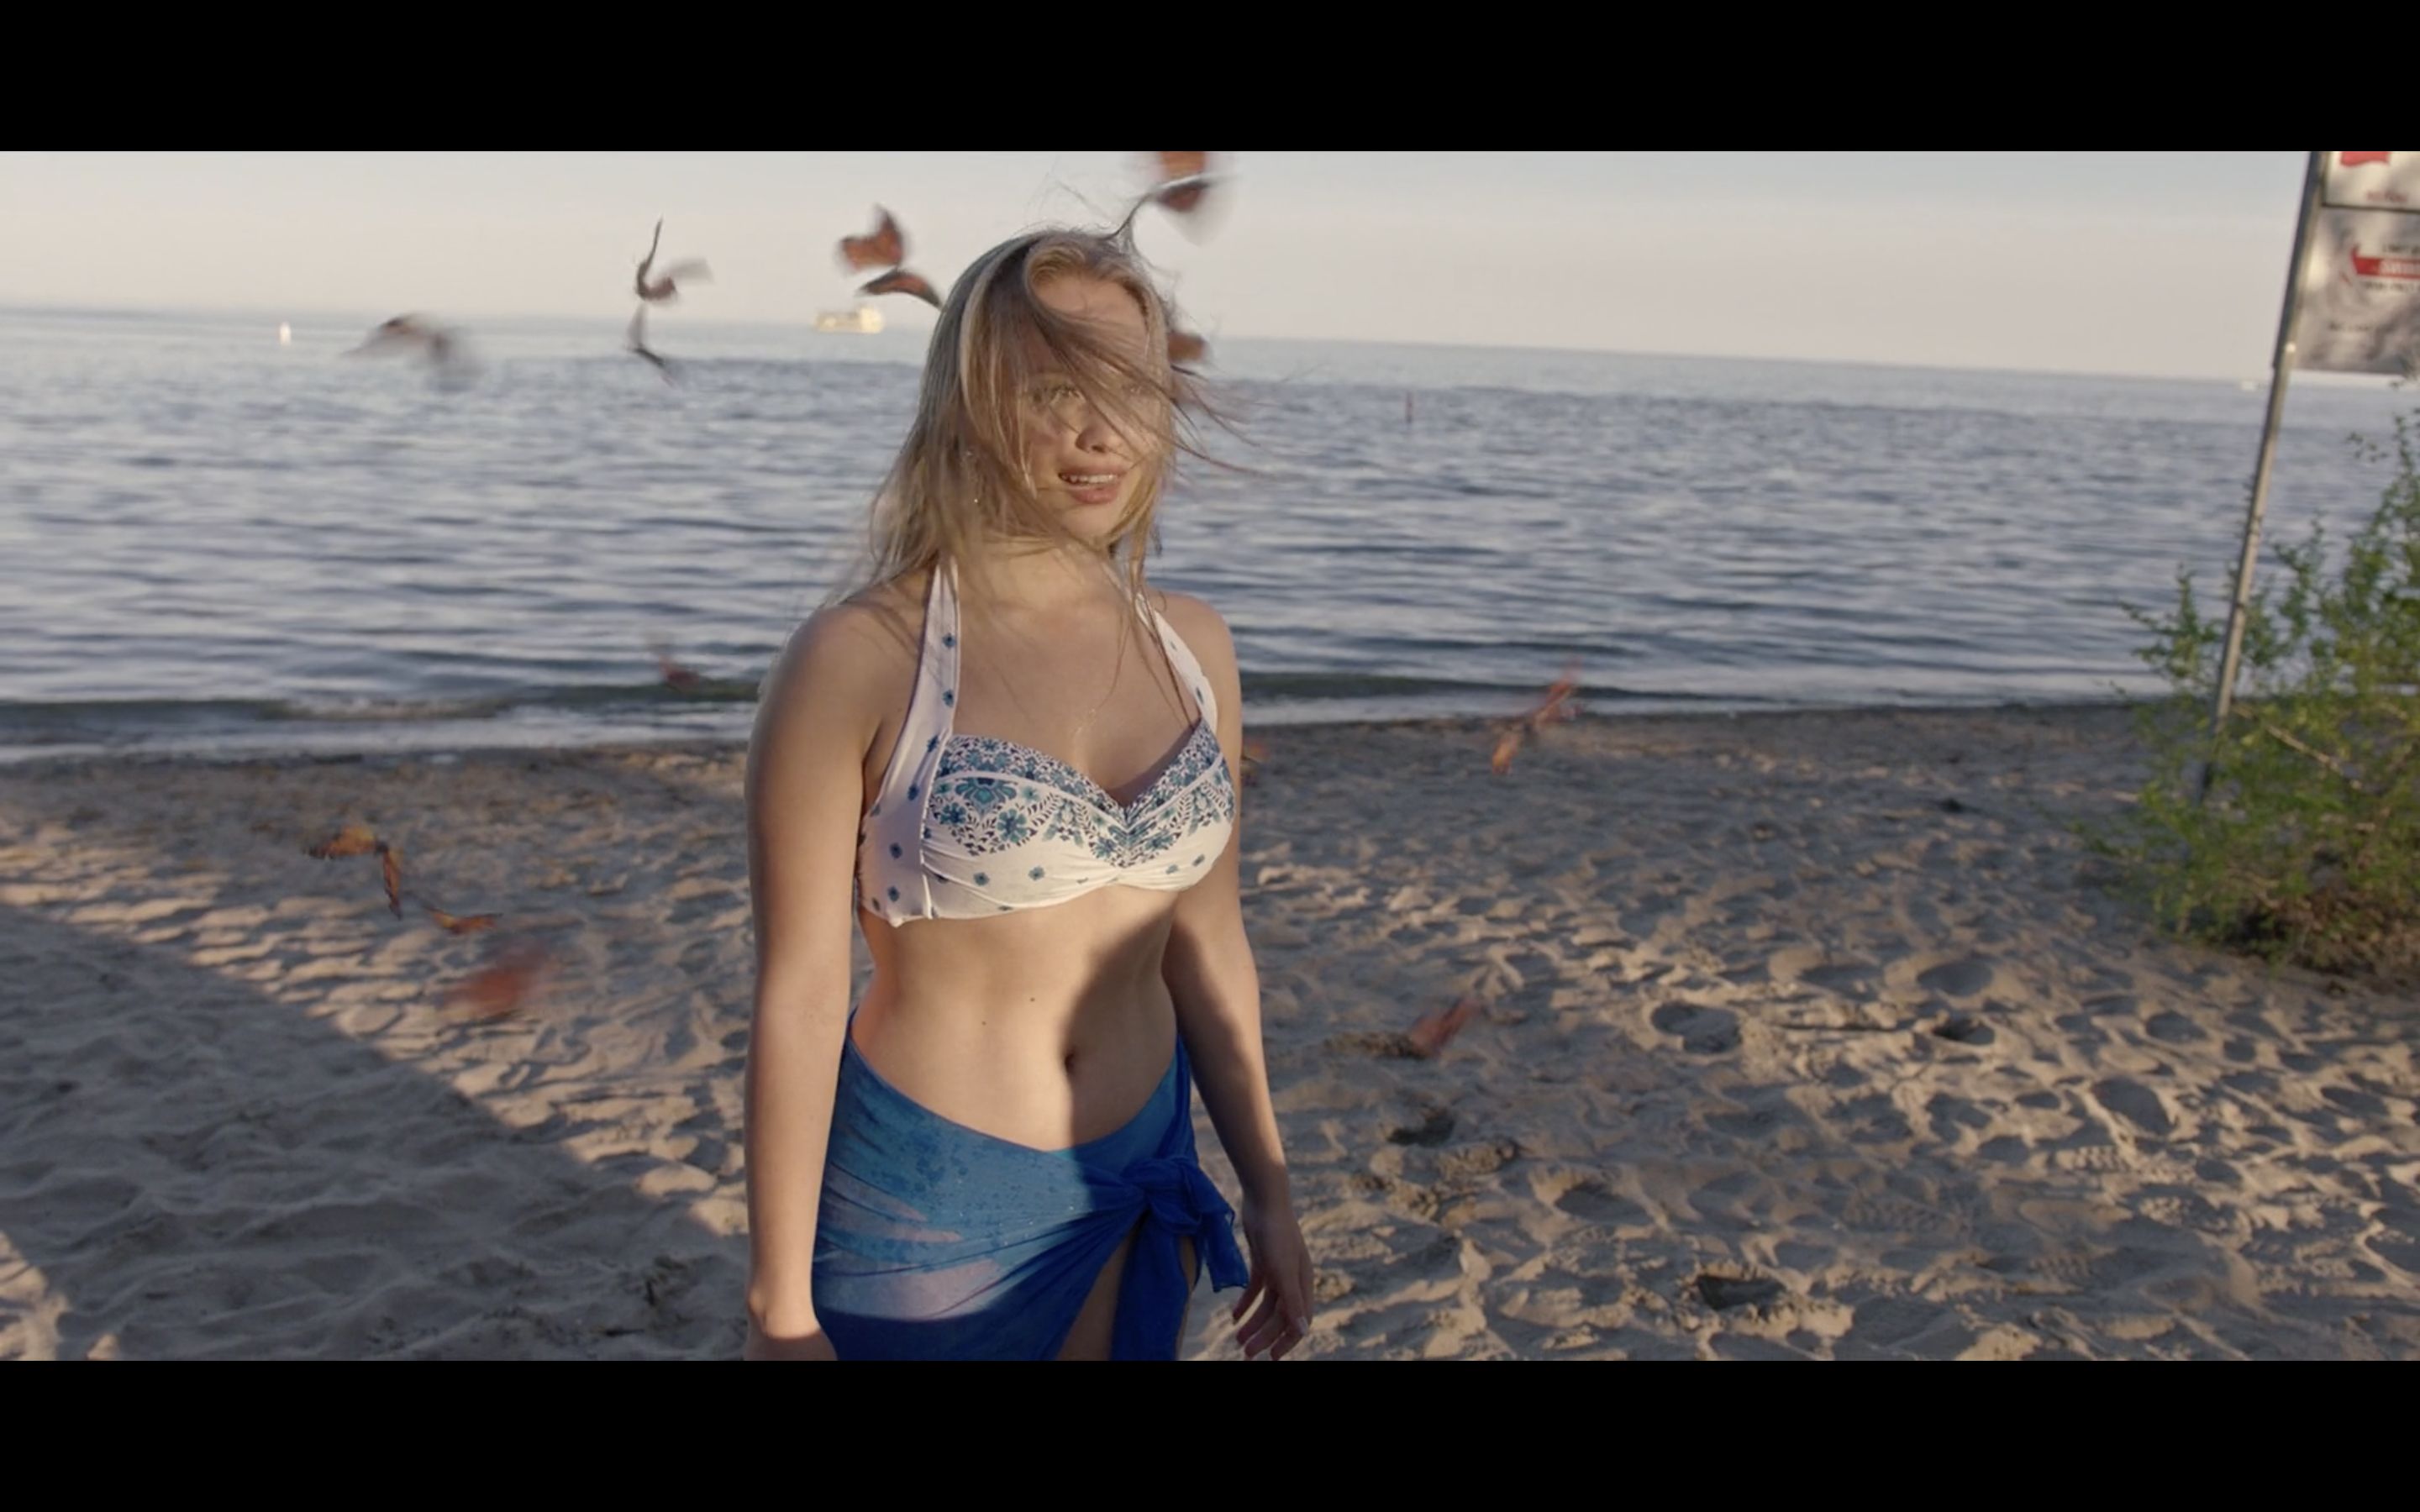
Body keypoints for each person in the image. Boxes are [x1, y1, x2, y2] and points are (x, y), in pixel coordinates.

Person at [741, 226, 1313, 1360]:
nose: (1104, 433)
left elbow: (1208, 940)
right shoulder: (861, 658)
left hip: (1144, 1166)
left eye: (1132, 388)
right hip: (931, 1197)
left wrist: (1269, 1187)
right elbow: (801, 996)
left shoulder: (1193, 647)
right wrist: (780, 1311)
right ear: (970, 403)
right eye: (1056, 390)